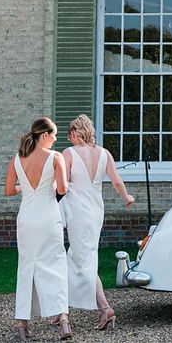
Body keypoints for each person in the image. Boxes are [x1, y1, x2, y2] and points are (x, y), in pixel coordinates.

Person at [60, 114, 135, 330]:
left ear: (75, 133)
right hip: (95, 212)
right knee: (76, 256)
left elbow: (60, 183)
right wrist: (127, 198)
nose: (69, 139)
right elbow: (117, 181)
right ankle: (62, 309)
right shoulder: (105, 154)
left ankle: (104, 308)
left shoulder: (69, 153)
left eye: (70, 135)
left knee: (83, 261)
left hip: (78, 213)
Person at [4, 117, 71, 342]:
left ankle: (22, 325)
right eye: (53, 135)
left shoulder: (17, 158)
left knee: (26, 266)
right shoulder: (55, 157)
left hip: (26, 218)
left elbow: (9, 190)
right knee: (55, 264)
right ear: (44, 135)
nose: (55, 139)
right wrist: (52, 186)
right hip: (48, 218)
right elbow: (62, 188)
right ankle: (63, 320)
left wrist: (26, 186)